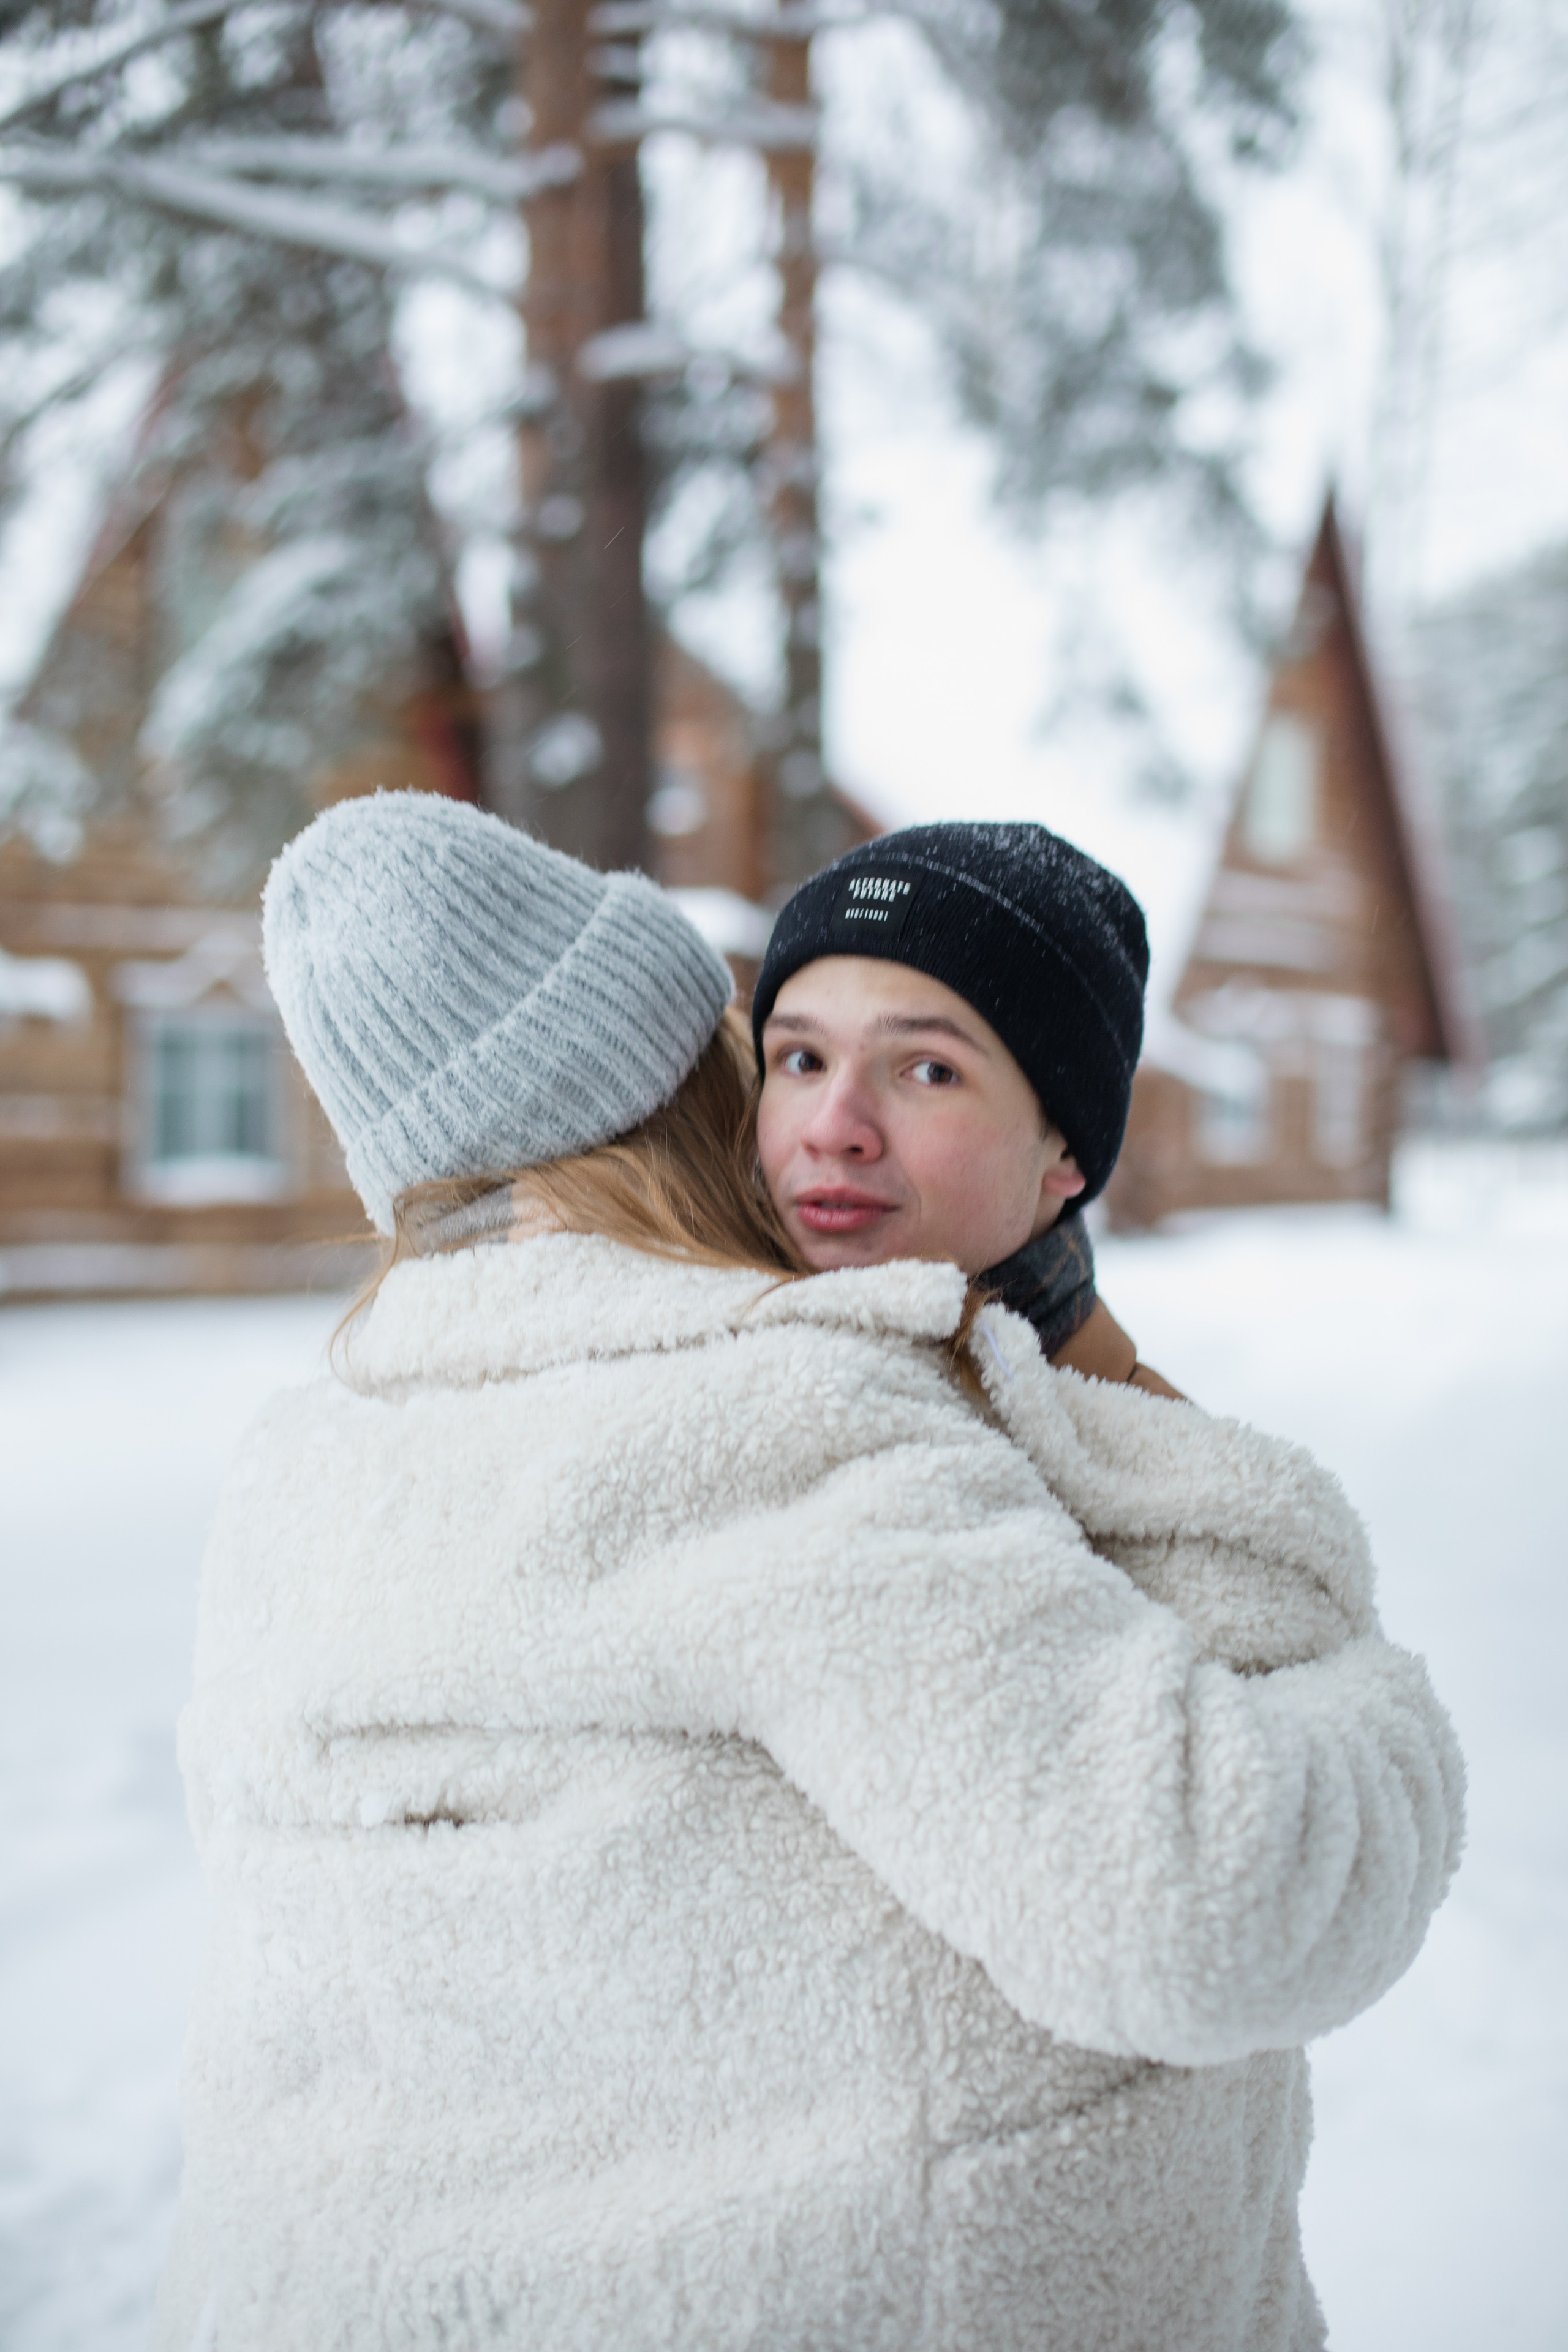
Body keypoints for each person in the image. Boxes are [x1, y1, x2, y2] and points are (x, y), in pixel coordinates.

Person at [154, 791, 1463, 2352]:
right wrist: (1378, 1712)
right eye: (782, 1055)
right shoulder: (777, 1418)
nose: (829, 1124)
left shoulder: (309, 1456)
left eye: (923, 1065)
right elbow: (1223, 1896)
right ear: (678, 1081)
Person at [752, 821, 1175, 1392]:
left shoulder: (1183, 1480)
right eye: (804, 1060)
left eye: (932, 1072)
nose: (832, 1129)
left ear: (1068, 1143)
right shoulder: (681, 1411)